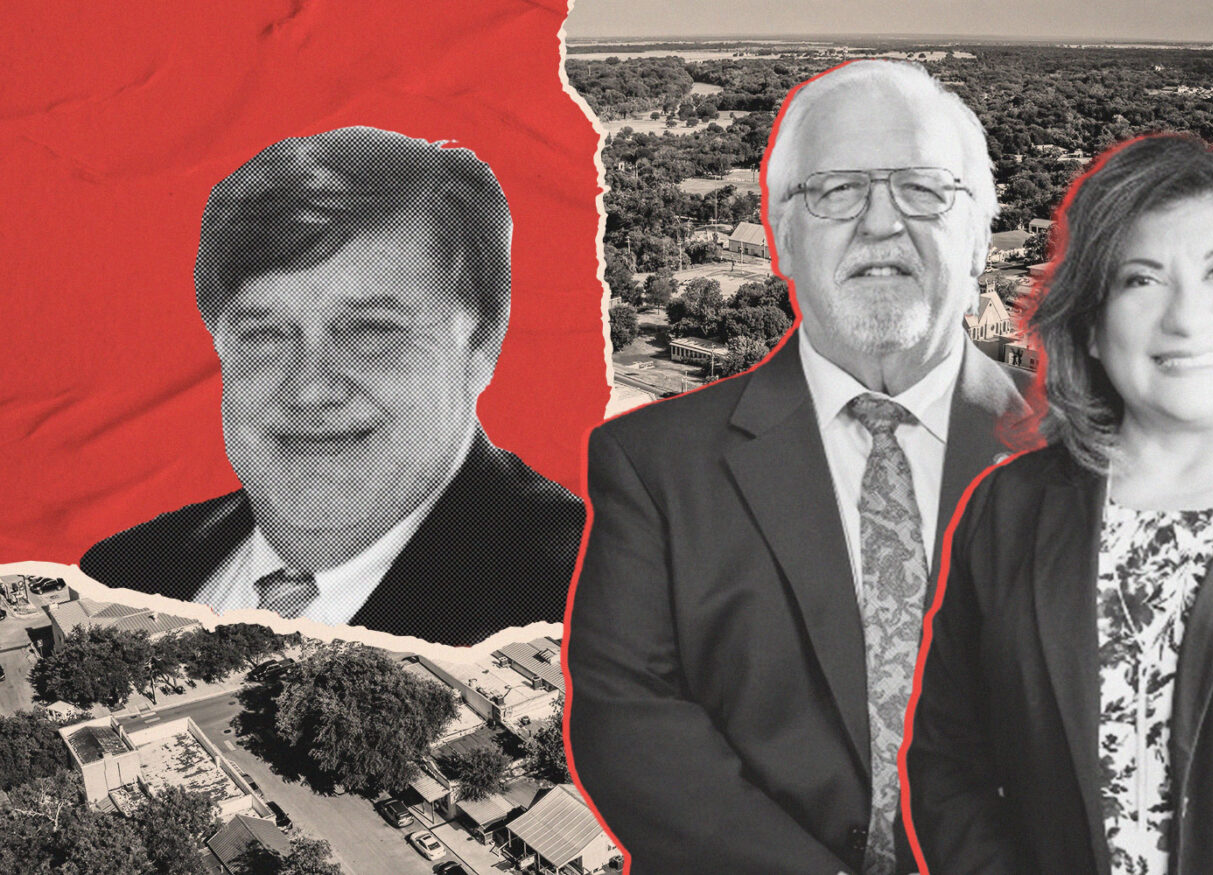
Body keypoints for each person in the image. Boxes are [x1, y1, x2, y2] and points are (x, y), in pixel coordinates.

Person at [567, 61, 1029, 875]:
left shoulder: (1107, 456)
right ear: (780, 235)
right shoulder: (653, 468)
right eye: (838, 191)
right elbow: (630, 731)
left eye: (924, 188)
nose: (882, 224)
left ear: (982, 232)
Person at [903, 134, 1213, 873]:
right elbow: (947, 761)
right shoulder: (1007, 509)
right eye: (1141, 279)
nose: (1184, 317)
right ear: (1093, 326)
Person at [80, 126, 584, 647]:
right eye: (266, 335)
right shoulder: (123, 570)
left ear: (482, 342)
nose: (310, 389)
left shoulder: (589, 594)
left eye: (370, 332)